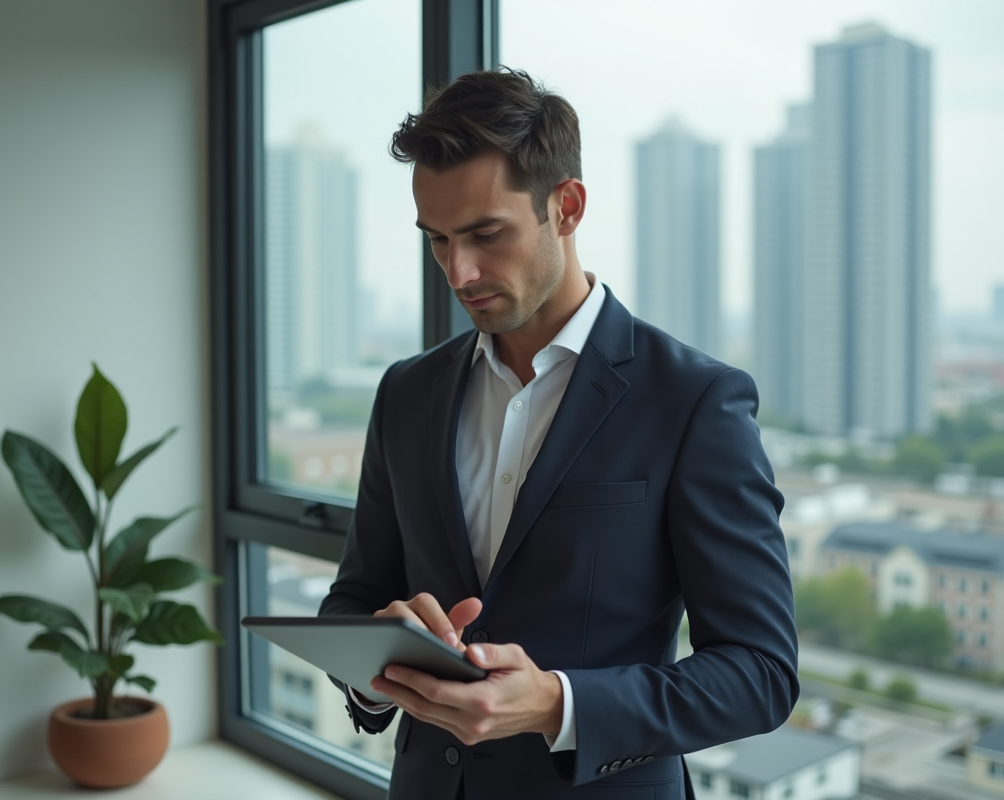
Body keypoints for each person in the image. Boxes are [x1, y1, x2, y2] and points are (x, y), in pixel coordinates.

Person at [318, 68, 798, 800]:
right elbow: (354, 600)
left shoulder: (695, 399)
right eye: (438, 240)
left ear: (566, 207)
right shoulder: (406, 393)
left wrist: (555, 705)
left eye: (486, 234)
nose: (459, 272)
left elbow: (760, 673)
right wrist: (381, 666)